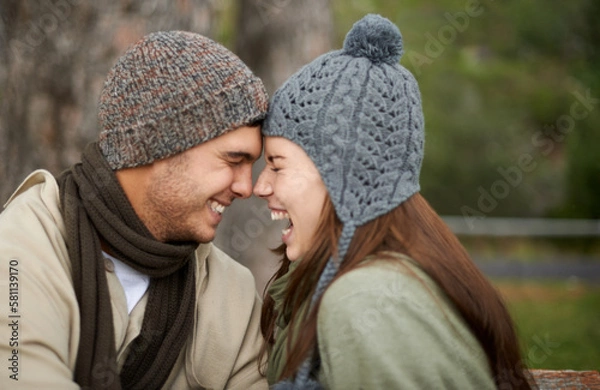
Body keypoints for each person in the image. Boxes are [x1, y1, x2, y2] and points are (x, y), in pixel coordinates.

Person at [253, 14, 534, 390]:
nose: (260, 186)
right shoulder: (340, 284)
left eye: (276, 165)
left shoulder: (365, 303)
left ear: (345, 174)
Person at [0, 31, 270, 389]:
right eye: (233, 160)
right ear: (159, 144)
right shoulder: (22, 249)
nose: (246, 187)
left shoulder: (232, 294)